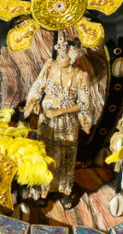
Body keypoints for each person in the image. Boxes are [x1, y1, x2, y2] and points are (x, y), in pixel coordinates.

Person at [24, 38, 92, 209]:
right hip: (46, 120)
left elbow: (83, 104)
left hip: (67, 122)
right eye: (59, 56)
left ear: (72, 59)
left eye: (63, 57)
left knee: (66, 157)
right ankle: (43, 190)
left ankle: (64, 191)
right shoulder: (49, 66)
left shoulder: (81, 76)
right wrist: (36, 102)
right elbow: (37, 86)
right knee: (46, 154)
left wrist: (60, 111)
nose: (59, 59)